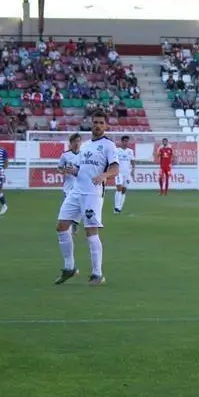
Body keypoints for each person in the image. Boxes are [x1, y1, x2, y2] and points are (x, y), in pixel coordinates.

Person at [54, 112, 120, 285]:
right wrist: (72, 170)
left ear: (106, 126)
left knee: (90, 231)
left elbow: (115, 169)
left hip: (92, 193)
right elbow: (81, 169)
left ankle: (97, 274)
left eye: (101, 123)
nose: (97, 125)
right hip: (76, 191)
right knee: (61, 226)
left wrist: (104, 175)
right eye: (95, 122)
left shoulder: (109, 145)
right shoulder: (85, 145)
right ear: (91, 124)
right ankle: (70, 268)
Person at [57, 133, 82, 235]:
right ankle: (69, 226)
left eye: (78, 141)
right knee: (69, 207)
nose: (77, 143)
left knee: (81, 206)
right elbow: (59, 168)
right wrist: (63, 171)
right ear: (70, 143)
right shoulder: (65, 155)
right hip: (69, 187)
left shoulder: (84, 155)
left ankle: (75, 223)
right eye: (74, 141)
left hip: (81, 185)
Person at [113, 135, 136, 214]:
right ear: (122, 141)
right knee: (119, 188)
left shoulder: (130, 151)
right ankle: (116, 207)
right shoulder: (117, 150)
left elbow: (132, 162)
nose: (126, 143)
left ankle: (119, 207)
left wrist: (133, 171)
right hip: (118, 172)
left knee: (124, 190)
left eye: (127, 141)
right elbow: (113, 161)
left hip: (127, 173)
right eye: (125, 141)